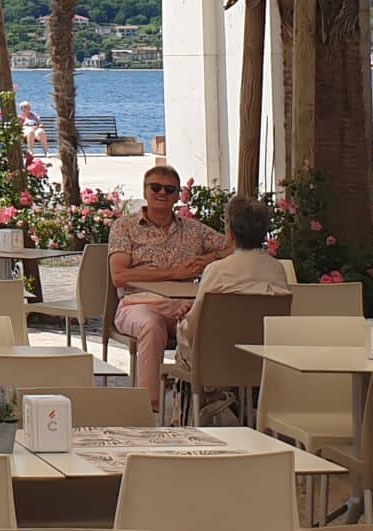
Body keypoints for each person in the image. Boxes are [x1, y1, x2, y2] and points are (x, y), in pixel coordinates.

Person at [108, 163, 229, 389]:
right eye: (156, 188)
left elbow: (234, 247)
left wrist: (208, 260)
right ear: (145, 192)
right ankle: (149, 404)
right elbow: (119, 275)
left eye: (169, 190)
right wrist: (175, 273)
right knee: (151, 326)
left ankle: (205, 398)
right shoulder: (124, 227)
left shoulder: (194, 230)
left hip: (184, 304)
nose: (162, 193)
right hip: (138, 303)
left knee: (214, 322)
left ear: (177, 196)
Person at [183, 196, 290, 353]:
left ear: (230, 233)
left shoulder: (217, 270)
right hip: (266, 360)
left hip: (216, 360)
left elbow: (194, 328)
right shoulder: (277, 269)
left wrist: (182, 322)